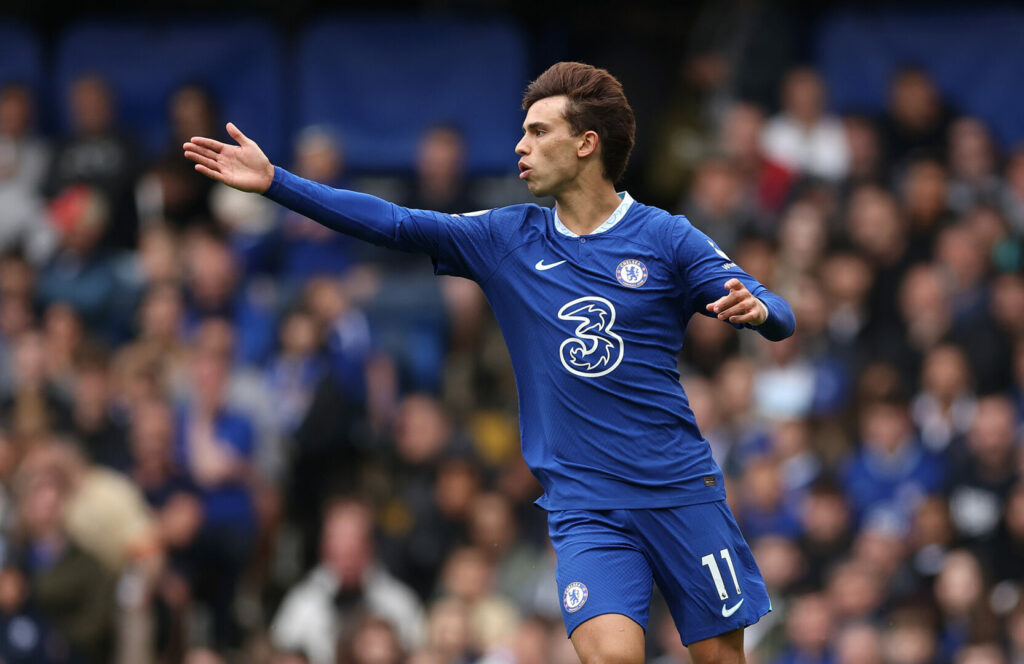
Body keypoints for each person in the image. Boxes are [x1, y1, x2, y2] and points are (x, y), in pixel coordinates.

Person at [184, 62, 795, 664]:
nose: (518, 146)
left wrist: (759, 310)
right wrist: (277, 183)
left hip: (679, 490)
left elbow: (780, 311)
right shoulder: (506, 238)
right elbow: (396, 223)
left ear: (586, 144)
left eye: (537, 131)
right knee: (612, 657)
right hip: (587, 505)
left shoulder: (666, 237)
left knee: (719, 658)